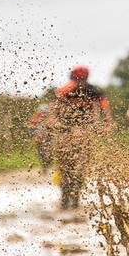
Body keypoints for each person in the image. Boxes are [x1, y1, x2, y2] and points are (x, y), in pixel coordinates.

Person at [52, 65, 112, 209]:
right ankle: (65, 197)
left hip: (85, 131)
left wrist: (107, 125)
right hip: (66, 131)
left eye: (81, 80)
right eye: (77, 79)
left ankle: (75, 198)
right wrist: (56, 124)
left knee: (81, 167)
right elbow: (53, 112)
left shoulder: (94, 91)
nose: (79, 83)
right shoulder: (65, 91)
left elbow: (105, 110)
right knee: (65, 167)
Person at [27, 103, 52, 172]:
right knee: (40, 152)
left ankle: (48, 162)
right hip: (39, 138)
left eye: (45, 112)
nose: (44, 114)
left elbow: (53, 128)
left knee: (48, 150)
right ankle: (44, 165)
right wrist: (33, 135)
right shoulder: (36, 117)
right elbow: (30, 127)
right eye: (43, 112)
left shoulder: (50, 118)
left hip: (47, 137)